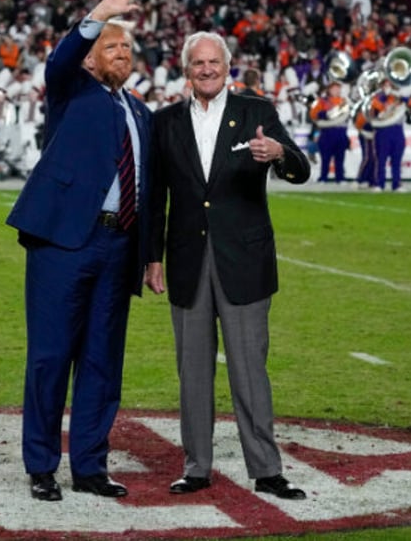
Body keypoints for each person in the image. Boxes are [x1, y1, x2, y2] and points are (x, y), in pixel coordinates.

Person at [145, 31, 310, 500]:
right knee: (192, 372)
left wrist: (279, 155)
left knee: (249, 371)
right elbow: (157, 198)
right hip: (186, 261)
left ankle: (267, 469)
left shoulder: (257, 112)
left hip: (245, 261)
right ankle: (196, 466)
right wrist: (151, 257)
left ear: (228, 66)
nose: (207, 69)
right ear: (186, 69)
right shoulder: (166, 122)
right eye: (198, 62)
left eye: (214, 61)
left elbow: (300, 167)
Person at [5, 0, 151, 502]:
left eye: (127, 47)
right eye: (111, 45)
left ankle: (90, 465)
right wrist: (101, 12)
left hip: (119, 246)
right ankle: (42, 465)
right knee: (50, 355)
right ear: (90, 56)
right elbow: (58, 61)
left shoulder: (140, 112)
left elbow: (150, 189)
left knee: (101, 361)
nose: (120, 52)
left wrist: (149, 256)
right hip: (65, 241)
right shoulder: (71, 88)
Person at [370, 78, 411, 192]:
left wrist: (398, 95)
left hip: (397, 130)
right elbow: (378, 112)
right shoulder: (377, 98)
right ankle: (379, 184)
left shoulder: (398, 97)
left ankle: (396, 184)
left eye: (390, 85)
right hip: (383, 130)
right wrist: (386, 99)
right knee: (381, 159)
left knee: (397, 160)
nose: (388, 87)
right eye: (385, 85)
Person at [309, 80, 350, 183]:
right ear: (329, 90)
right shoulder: (322, 101)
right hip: (327, 132)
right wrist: (325, 114)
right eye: (334, 88)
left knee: (340, 158)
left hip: (340, 131)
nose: (336, 90)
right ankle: (323, 177)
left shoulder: (344, 101)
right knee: (325, 158)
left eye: (338, 88)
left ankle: (340, 178)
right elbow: (314, 114)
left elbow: (346, 115)